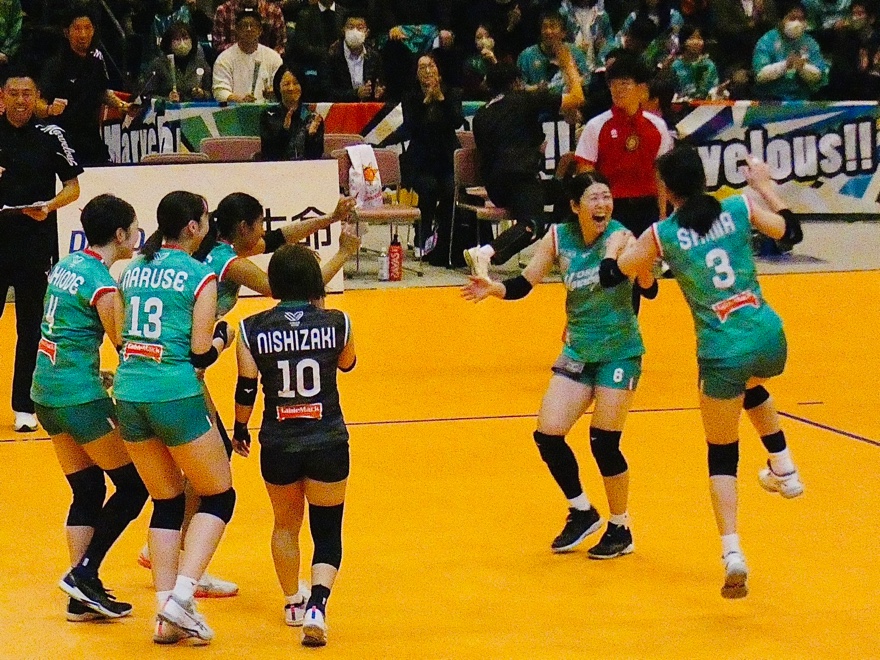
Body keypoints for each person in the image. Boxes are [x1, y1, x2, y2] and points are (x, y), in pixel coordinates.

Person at [611, 145, 805, 599]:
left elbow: (619, 273)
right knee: (751, 384)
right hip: (769, 336)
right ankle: (783, 466)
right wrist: (764, 187)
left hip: (721, 350)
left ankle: (732, 551)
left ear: (665, 187)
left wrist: (618, 246)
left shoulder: (662, 234)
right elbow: (791, 233)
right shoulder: (738, 207)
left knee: (722, 453)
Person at [461, 172, 657, 558]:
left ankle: (620, 527)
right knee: (548, 434)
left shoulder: (621, 236)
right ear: (574, 206)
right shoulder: (558, 238)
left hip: (619, 351)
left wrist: (638, 261)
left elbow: (650, 290)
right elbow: (525, 283)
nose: (602, 205)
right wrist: (495, 288)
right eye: (594, 198)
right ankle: (582, 510)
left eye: (606, 197)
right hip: (578, 350)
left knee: (604, 442)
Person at [114, 191, 236, 644]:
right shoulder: (200, 276)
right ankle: (182, 598)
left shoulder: (131, 270)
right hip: (174, 393)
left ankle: (165, 619)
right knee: (218, 496)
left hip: (129, 393)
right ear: (192, 227)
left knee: (165, 500)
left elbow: (123, 336)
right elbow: (200, 353)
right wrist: (223, 338)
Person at [32, 194, 149, 622]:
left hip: (46, 391)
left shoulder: (67, 265)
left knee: (87, 490)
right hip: (79, 399)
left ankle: (80, 596)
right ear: (120, 234)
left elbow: (62, 329)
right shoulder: (103, 284)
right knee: (134, 487)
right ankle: (84, 573)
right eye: (133, 229)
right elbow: (123, 344)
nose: (137, 236)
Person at [233, 243, 356, 647]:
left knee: (285, 524)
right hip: (327, 440)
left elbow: (247, 388)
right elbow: (347, 363)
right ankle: (318, 605)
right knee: (327, 531)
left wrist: (240, 428)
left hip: (278, 441)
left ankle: (292, 603)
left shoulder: (251, 328)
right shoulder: (338, 322)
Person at [0, 68, 83, 433]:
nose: (20, 100)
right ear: (2, 97)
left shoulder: (52, 135)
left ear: (36, 99)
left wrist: (49, 206)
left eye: (27, 94)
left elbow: (73, 188)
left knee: (31, 327)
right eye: (13, 93)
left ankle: (24, 406)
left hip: (35, 245)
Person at [463, 51, 585, 278]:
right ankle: (486, 253)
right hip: (520, 178)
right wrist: (568, 64)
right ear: (517, 83)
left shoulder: (481, 114)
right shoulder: (525, 99)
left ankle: (559, 249)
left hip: (496, 187)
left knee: (569, 192)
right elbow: (577, 98)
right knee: (532, 223)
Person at [36, 1, 133, 166]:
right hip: (64, 140)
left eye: (87, 28)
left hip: (91, 139)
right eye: (77, 28)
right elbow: (37, 103)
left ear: (93, 30)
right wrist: (49, 109)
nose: (83, 34)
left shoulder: (96, 62)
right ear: (66, 32)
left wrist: (121, 104)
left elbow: (101, 92)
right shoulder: (55, 65)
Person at [401, 53, 464, 264]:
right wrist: (427, 101)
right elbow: (411, 127)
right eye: (422, 67)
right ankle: (422, 234)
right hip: (421, 162)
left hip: (446, 161)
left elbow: (456, 121)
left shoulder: (452, 93)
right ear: (416, 74)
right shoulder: (410, 97)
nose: (428, 71)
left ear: (438, 69)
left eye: (431, 65)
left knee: (450, 190)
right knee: (428, 189)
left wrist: (441, 99)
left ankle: (443, 239)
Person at [752, 0, 828, 100]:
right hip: (771, 99)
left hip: (802, 99)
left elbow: (819, 75)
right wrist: (785, 65)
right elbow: (760, 75)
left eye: (801, 19)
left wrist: (802, 68)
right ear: (780, 21)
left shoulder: (810, 42)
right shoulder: (767, 41)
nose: (797, 23)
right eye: (792, 18)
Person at [212, 7, 283, 104]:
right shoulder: (224, 59)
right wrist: (239, 99)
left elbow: (281, 87)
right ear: (237, 30)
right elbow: (219, 91)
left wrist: (274, 91)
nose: (249, 29)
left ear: (260, 30)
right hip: (235, 109)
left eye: (253, 25)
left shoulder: (273, 57)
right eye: (244, 25)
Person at [286, 0, 348, 101]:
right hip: (315, 69)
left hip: (341, 70)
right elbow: (301, 47)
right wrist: (326, 52)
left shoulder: (344, 13)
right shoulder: (305, 15)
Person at [259, 65, 323, 161]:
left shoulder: (312, 117)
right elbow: (269, 154)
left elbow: (316, 157)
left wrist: (311, 137)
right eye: (286, 84)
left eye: (296, 83)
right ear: (278, 87)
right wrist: (284, 130)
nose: (291, 88)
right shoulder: (268, 116)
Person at [517, 11, 592, 93]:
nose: (548, 31)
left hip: (567, 98)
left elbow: (587, 79)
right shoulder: (526, 56)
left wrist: (571, 81)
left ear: (563, 33)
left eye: (552, 27)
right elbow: (518, 87)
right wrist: (536, 88)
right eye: (545, 27)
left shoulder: (575, 53)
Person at [141, 21, 212, 102]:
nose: (182, 43)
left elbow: (211, 92)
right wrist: (166, 100)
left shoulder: (201, 63)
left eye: (185, 38)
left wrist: (203, 94)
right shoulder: (159, 65)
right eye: (177, 39)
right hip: (168, 109)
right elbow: (146, 95)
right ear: (169, 43)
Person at [326, 14, 386, 102]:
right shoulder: (332, 56)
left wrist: (379, 92)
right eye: (350, 27)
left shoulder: (374, 57)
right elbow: (327, 92)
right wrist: (355, 94)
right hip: (341, 108)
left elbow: (380, 84)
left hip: (367, 107)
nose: (355, 31)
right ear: (343, 30)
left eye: (360, 28)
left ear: (367, 32)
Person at [212, 0, 286, 55]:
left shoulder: (274, 12)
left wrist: (269, 58)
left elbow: (281, 45)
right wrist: (242, 51)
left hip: (266, 64)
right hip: (233, 62)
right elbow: (218, 44)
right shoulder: (223, 11)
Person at [671, 24, 720, 99]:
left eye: (699, 38)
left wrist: (717, 91)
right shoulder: (675, 65)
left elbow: (713, 88)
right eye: (692, 38)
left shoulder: (709, 65)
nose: (696, 42)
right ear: (683, 42)